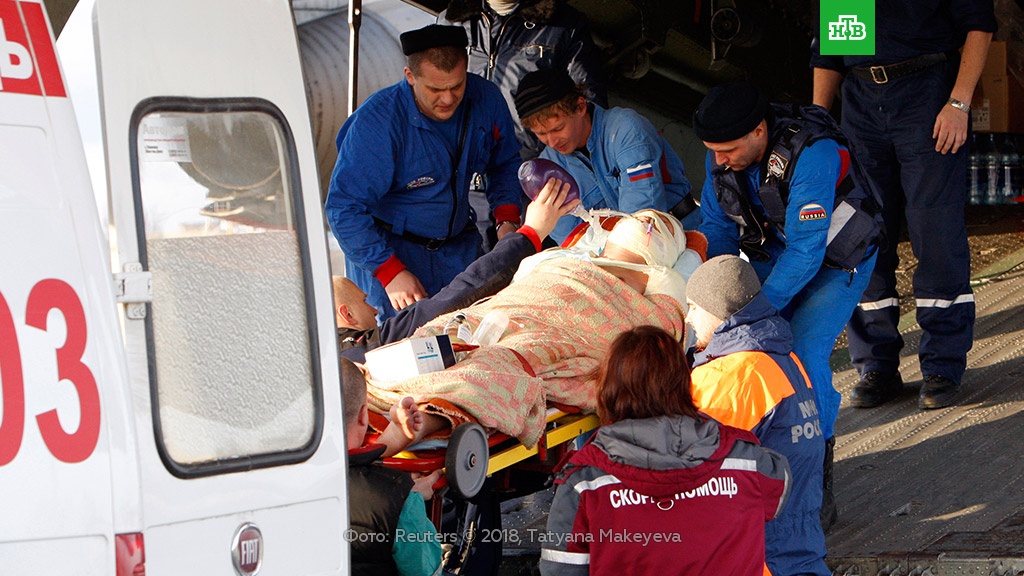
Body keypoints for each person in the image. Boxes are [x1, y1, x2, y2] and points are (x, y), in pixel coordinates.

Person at [693, 81, 882, 529]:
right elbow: (717, 231)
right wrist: (719, 298)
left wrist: (751, 312)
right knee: (729, 342)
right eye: (713, 151)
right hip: (774, 253)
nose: (719, 160)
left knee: (800, 349)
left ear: (760, 131)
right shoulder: (721, 153)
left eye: (728, 150)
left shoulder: (812, 153)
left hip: (835, 260)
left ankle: (818, 479)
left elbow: (806, 253)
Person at [362, 209, 694, 452]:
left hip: (554, 329)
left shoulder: (644, 293)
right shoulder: (569, 262)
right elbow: (669, 334)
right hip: (521, 306)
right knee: (462, 339)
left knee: (495, 360)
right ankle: (400, 400)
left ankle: (418, 419)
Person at [811, 2, 996, 411]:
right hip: (860, 104)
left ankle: (941, 366)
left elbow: (979, 27)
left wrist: (959, 104)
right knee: (863, 236)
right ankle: (876, 365)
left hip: (927, 96)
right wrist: (819, 123)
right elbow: (831, 49)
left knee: (936, 234)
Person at [539, 325, 792, 576]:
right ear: (683, 382)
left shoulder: (584, 483)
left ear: (607, 389)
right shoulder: (746, 460)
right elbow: (779, 489)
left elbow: (561, 570)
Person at [325, 24, 523, 323]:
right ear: (410, 77)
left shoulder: (486, 99)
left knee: (468, 340)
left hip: (458, 247)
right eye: (435, 89)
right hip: (390, 252)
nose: (447, 99)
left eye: (456, 87)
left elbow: (505, 162)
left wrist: (506, 219)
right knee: (401, 353)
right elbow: (344, 209)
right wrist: (390, 272)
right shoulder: (377, 124)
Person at [686, 255, 828, 576]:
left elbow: (693, 469)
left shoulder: (732, 374)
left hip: (756, 549)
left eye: (694, 306)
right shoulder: (784, 357)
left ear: (718, 309)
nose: (689, 318)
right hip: (798, 538)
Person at [335, 178, 578, 362]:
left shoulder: (330, 359)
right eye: (364, 302)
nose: (374, 308)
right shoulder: (375, 346)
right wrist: (530, 234)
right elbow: (458, 296)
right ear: (347, 315)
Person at [513, 68, 699, 243]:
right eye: (541, 134)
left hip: (682, 235)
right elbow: (571, 241)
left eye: (558, 128)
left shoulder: (626, 128)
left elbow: (641, 217)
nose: (552, 142)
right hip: (611, 257)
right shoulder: (548, 168)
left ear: (580, 106)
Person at [437, 0, 607, 159]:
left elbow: (589, 104)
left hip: (534, 173)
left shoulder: (564, 24)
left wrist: (560, 166)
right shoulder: (451, 21)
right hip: (461, 171)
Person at [342, 357, 443, 576]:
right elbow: (426, 570)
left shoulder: (270, 474)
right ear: (363, 415)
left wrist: (396, 434)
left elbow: (350, 468)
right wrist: (407, 500)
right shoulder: (397, 498)